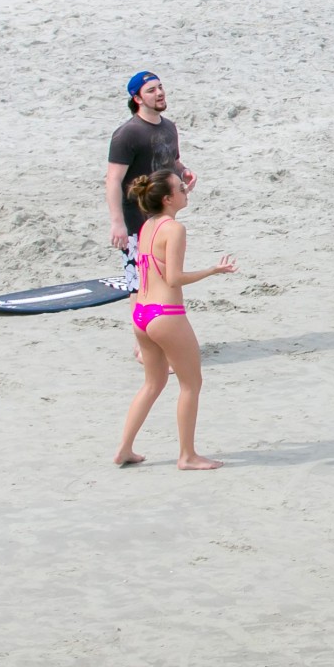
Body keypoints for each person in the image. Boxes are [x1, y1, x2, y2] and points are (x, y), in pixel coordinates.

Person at [113, 170, 236, 469]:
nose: (186, 191)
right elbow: (174, 278)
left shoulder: (147, 226)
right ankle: (187, 456)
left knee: (152, 385)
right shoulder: (174, 229)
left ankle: (124, 449)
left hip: (141, 315)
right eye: (181, 188)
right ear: (168, 199)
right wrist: (212, 271)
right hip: (166, 315)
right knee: (191, 384)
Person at [106, 71, 196, 293]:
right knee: (138, 284)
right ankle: (142, 327)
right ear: (137, 99)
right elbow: (113, 180)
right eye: (151, 90)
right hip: (135, 219)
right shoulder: (127, 134)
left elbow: (171, 160)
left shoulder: (169, 127)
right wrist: (118, 223)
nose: (160, 93)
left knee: (164, 277)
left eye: (160, 87)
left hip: (162, 217)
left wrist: (184, 172)